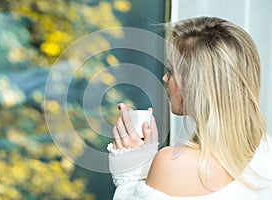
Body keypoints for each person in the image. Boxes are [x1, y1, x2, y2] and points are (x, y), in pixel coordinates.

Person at [107, 17, 272, 199]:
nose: (164, 78)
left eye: (171, 72)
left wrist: (131, 173)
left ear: (197, 87)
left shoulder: (174, 164)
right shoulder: (267, 154)